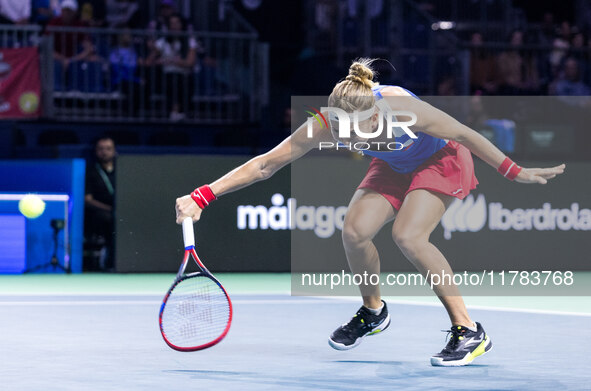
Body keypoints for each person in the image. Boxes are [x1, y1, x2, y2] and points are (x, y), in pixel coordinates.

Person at [175, 59, 565, 366]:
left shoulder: (404, 110)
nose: (348, 141)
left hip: (441, 158)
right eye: (343, 133)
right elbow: (265, 165)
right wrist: (203, 195)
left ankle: (468, 330)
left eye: (355, 134)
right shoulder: (327, 124)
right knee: (354, 231)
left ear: (375, 117)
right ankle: (373, 311)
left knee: (409, 236)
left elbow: (464, 133)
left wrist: (515, 171)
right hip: (395, 165)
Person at [85, 136, 117, 271]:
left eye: (108, 149)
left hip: (121, 210)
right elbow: (88, 199)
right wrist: (110, 209)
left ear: (114, 151)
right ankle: (109, 257)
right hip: (99, 212)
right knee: (108, 219)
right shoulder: (90, 171)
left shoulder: (123, 169)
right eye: (101, 149)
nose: (104, 152)